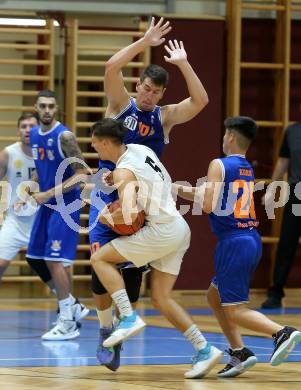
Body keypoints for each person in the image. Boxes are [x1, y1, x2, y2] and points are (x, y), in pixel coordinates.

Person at [89, 16, 209, 370]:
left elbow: (201, 101)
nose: (149, 95)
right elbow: (112, 66)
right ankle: (105, 330)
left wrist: (184, 63)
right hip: (112, 198)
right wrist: (145, 41)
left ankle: (122, 327)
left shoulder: (164, 117)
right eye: (145, 88)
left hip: (143, 208)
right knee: (99, 275)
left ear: (161, 95)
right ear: (137, 84)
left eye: (156, 92)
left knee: (130, 279)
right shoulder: (120, 104)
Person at [90, 118, 223, 379]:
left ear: (105, 143)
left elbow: (128, 216)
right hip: (179, 228)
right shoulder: (142, 151)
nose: (95, 148)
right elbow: (153, 180)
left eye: (95, 145)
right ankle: (204, 349)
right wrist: (119, 179)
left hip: (161, 230)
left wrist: (107, 217)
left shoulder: (123, 172)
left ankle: (127, 317)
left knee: (100, 260)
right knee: (161, 298)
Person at [174, 116, 301, 377]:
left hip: (233, 242)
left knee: (235, 309)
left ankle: (281, 333)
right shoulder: (244, 167)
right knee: (214, 296)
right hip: (249, 239)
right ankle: (239, 352)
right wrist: (178, 189)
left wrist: (176, 189)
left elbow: (208, 204)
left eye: (224, 134)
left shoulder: (218, 164)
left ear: (230, 136)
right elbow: (214, 197)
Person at [25, 89, 89, 340]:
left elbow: (83, 174)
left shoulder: (65, 136)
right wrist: (30, 187)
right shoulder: (33, 134)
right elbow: (43, 168)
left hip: (65, 205)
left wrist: (48, 193)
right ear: (36, 108)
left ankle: (67, 321)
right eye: (43, 106)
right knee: (34, 256)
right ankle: (73, 305)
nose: (47, 110)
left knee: (53, 259)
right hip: (47, 205)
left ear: (57, 108)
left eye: (52, 106)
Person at [261, 119, 301, 309]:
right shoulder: (292, 131)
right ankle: (276, 292)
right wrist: (272, 187)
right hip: (296, 193)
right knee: (287, 242)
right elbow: (284, 160)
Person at [0, 113, 38, 283]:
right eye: (24, 126)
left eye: (32, 126)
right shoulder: (8, 153)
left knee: (54, 267)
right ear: (18, 131)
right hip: (15, 220)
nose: (28, 130)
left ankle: (68, 305)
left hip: (41, 220)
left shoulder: (46, 154)